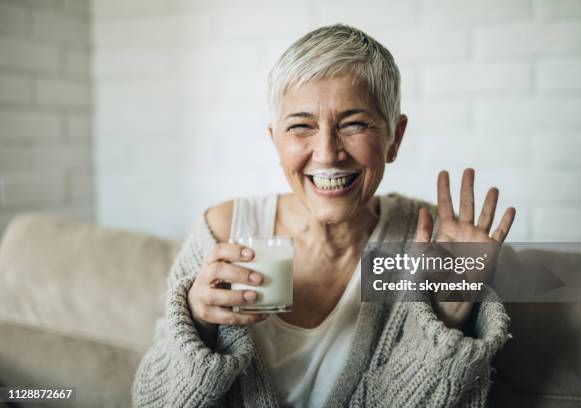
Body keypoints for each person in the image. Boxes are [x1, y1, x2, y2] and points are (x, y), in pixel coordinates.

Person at [132, 24, 516, 407]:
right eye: (301, 126)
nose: (328, 153)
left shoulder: (432, 243)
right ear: (275, 141)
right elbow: (151, 400)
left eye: (354, 124)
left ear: (395, 138)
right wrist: (198, 323)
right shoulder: (224, 231)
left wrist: (449, 311)